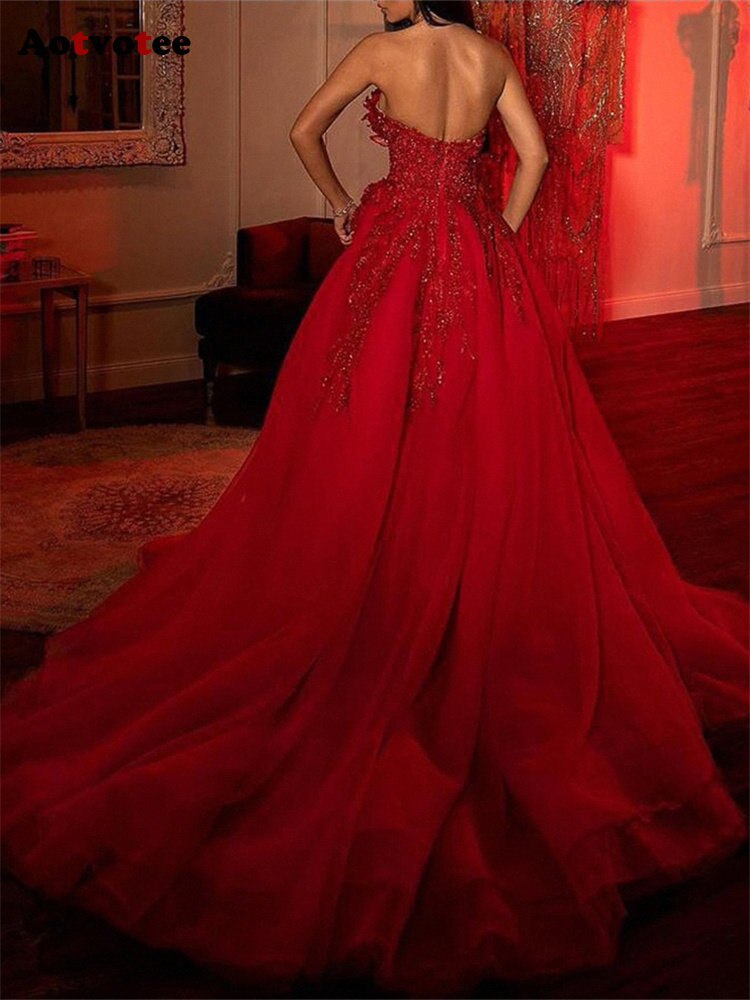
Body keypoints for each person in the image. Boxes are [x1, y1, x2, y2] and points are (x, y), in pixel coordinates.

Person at [2, 3, 748, 997]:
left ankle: (377, 562)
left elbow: (302, 130)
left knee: (355, 428)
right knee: (484, 433)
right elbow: (531, 158)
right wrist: (494, 232)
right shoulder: (487, 53)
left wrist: (343, 204)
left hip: (395, 249)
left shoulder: (380, 50)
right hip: (477, 257)